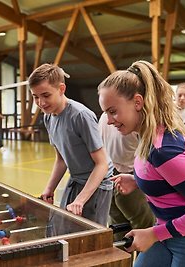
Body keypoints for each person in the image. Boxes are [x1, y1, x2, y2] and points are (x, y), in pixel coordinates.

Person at [98, 60, 185, 266]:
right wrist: (137, 180)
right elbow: (167, 178)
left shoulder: (164, 151)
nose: (108, 120)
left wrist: (154, 234)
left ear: (137, 102)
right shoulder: (145, 136)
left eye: (113, 111)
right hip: (167, 231)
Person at [28, 63, 113, 226]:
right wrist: (49, 188)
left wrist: (80, 200)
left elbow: (101, 164)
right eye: (35, 97)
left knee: (89, 236)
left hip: (97, 184)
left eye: (46, 95)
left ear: (61, 89)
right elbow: (61, 159)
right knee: (63, 226)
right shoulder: (48, 117)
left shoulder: (80, 116)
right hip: (76, 179)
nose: (41, 102)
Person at [98, 113, 155, 242]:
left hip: (119, 177)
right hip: (119, 177)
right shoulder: (128, 119)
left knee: (124, 232)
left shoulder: (107, 118)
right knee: (139, 230)